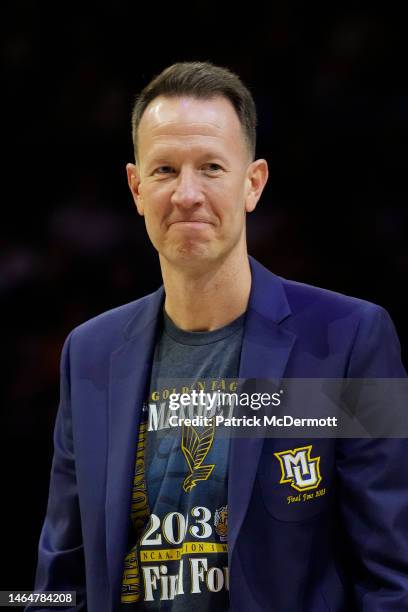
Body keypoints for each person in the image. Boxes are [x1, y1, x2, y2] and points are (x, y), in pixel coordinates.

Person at [29, 62, 408, 611]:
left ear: (252, 183)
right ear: (136, 187)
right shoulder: (88, 354)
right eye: (164, 170)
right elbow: (60, 582)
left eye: (210, 167)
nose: (186, 194)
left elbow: (392, 577)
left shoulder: (350, 340)